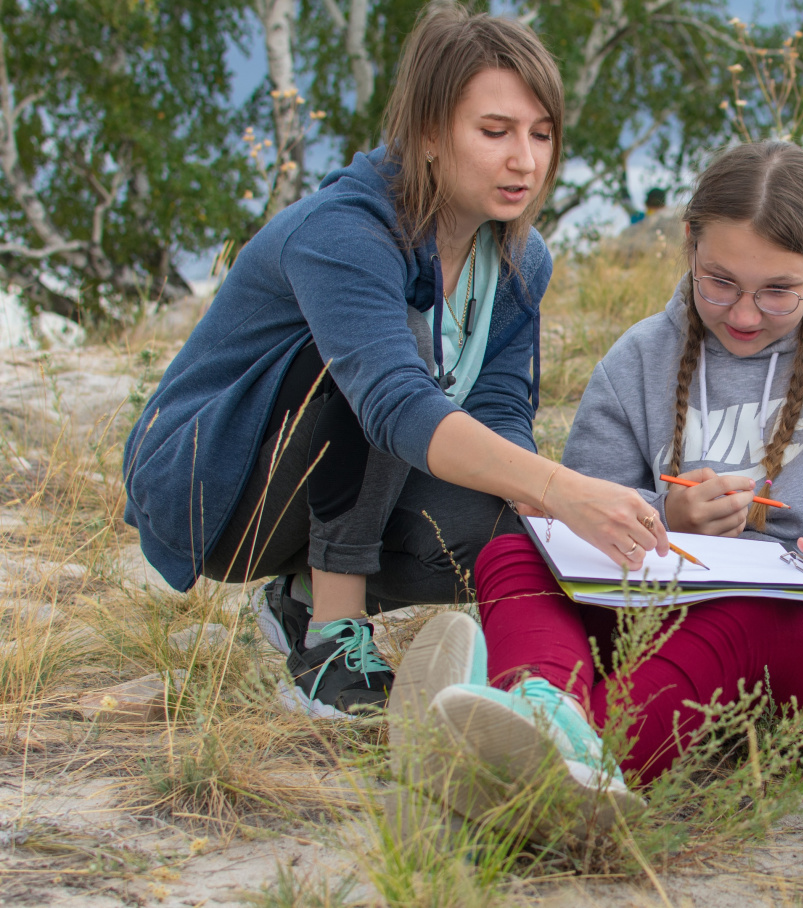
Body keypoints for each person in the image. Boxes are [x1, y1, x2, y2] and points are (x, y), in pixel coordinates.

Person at [122, 4, 668, 720]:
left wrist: (535, 500)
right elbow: (393, 402)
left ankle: (301, 596)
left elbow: (500, 409)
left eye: (542, 134)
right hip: (213, 490)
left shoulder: (517, 258)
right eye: (495, 131)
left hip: (338, 480)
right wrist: (563, 487)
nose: (525, 161)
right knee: (397, 358)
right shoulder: (344, 231)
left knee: (506, 535)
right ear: (429, 134)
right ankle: (331, 638)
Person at [390, 140, 803, 823]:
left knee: (750, 609)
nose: (745, 315)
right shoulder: (639, 357)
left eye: (779, 291)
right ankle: (546, 709)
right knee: (512, 553)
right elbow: (577, 521)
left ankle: (559, 767)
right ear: (688, 243)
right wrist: (669, 517)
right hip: (662, 622)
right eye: (720, 282)